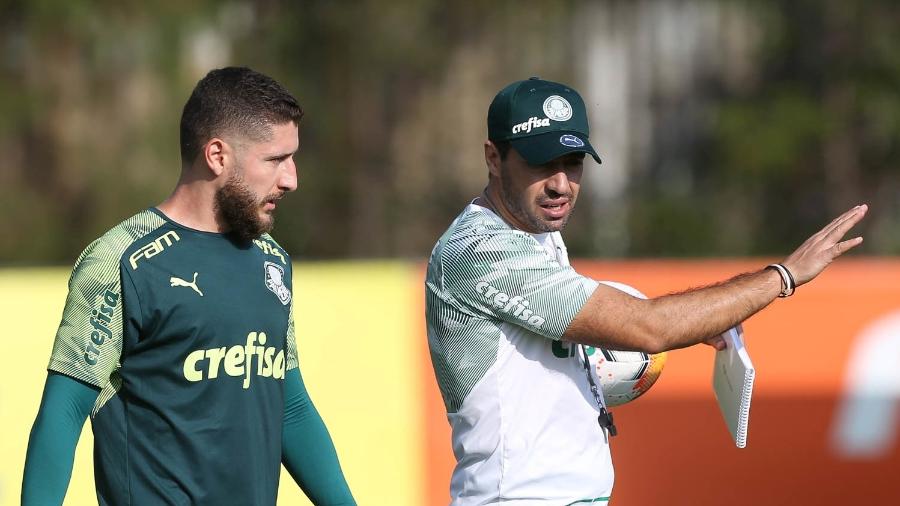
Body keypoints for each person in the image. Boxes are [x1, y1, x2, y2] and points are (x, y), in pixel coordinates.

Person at [424, 77, 867, 505]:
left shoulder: (533, 227)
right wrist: (782, 276)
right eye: (541, 164)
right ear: (494, 157)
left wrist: (697, 322)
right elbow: (648, 327)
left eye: (573, 163)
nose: (560, 184)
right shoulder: (480, 251)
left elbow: (592, 322)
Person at [22, 67, 356, 506]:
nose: (291, 178)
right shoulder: (122, 261)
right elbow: (63, 414)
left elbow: (290, 409)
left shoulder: (271, 260)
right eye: (275, 160)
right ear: (217, 155)